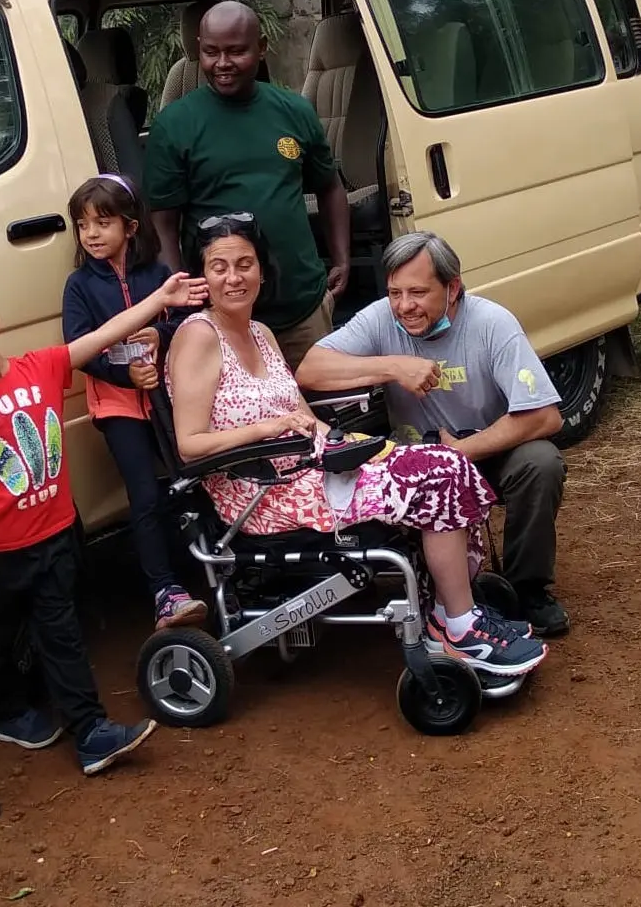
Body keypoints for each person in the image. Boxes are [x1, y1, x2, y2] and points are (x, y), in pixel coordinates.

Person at [165, 215, 548, 677]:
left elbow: (298, 414)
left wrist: (334, 436)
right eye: (219, 266)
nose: (234, 277)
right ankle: (459, 628)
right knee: (437, 479)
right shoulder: (197, 336)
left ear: (262, 271)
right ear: (202, 276)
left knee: (444, 462)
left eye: (245, 264)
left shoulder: (261, 334)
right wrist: (268, 430)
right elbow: (190, 446)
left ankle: (455, 611)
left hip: (307, 471)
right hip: (262, 494)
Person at [0, 265, 208, 775]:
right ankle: (9, 714)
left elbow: (107, 334)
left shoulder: (42, 366)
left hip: (57, 534)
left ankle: (91, 732)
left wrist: (161, 298)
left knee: (59, 631)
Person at [296, 232, 572, 638]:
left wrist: (460, 452)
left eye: (418, 292)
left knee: (541, 462)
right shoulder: (381, 318)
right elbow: (310, 370)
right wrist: (393, 367)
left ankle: (527, 588)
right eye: (395, 292)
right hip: (414, 462)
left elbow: (545, 417)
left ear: (453, 287)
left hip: (485, 448)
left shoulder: (492, 323)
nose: (404, 306)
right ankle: (448, 592)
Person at [145, 0, 351, 372]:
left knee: (323, 414)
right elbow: (163, 224)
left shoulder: (294, 110)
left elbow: (330, 185)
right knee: (245, 422)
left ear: (261, 48)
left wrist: (341, 257)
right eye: (211, 52)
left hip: (302, 304)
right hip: (224, 315)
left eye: (236, 51)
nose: (222, 63)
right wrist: (183, 298)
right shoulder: (174, 125)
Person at [59, 173, 207, 630]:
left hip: (167, 398)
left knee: (191, 480)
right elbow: (79, 348)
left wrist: (158, 336)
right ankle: (164, 590)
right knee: (143, 494)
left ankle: (211, 569)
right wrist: (125, 373)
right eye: (83, 226)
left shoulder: (157, 275)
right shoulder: (79, 286)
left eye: (103, 223)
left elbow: (185, 321)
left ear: (131, 226)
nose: (92, 235)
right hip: (117, 404)